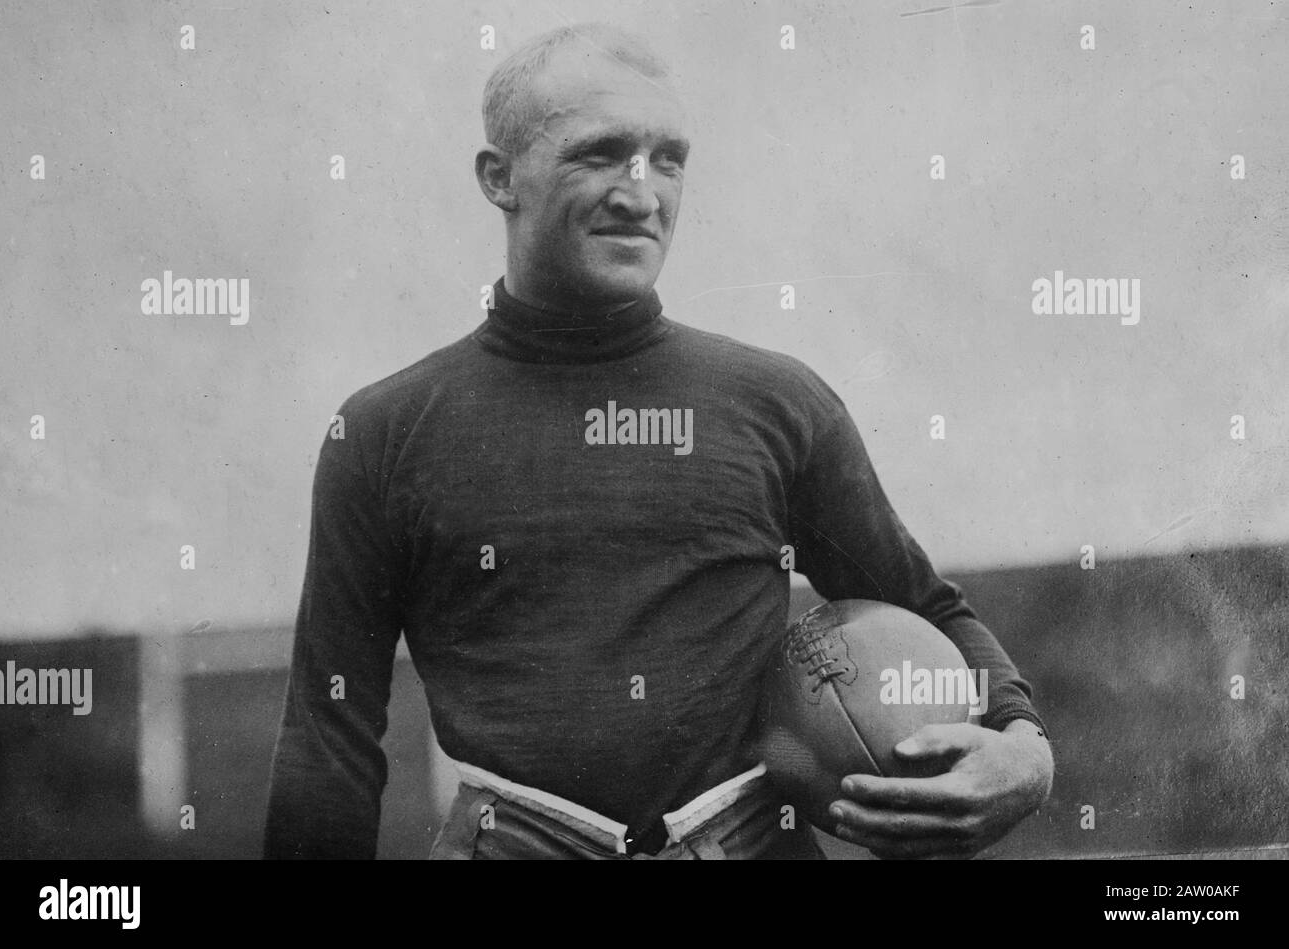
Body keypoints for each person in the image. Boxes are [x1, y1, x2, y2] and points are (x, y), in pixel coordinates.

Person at [262, 22, 1053, 860]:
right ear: (499, 177)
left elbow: (925, 606)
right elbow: (330, 733)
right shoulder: (385, 433)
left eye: (668, 158)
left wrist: (1026, 750)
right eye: (599, 153)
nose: (641, 193)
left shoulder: (776, 402)